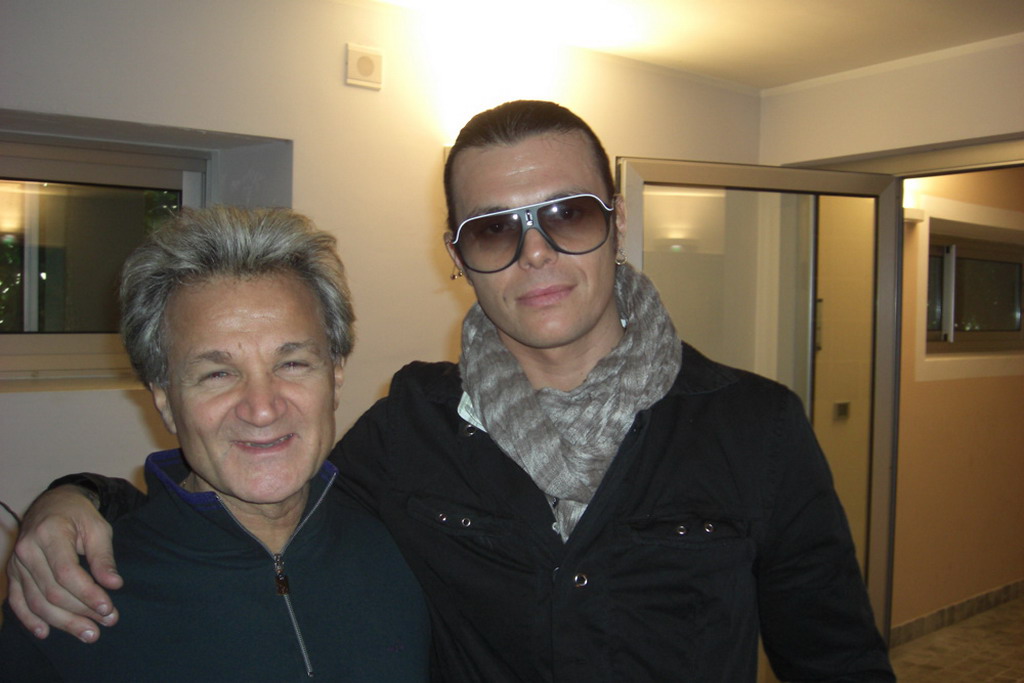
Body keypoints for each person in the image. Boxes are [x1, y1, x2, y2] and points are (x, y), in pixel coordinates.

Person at [5, 102, 894, 681]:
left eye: (569, 214)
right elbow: (257, 491)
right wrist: (79, 498)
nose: (536, 253)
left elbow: (838, 661)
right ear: (457, 254)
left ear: (617, 221)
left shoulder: (755, 426)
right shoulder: (411, 430)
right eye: (494, 230)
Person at [0, 207, 430, 681]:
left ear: (336, 377)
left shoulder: (411, 545)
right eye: (217, 374)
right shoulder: (67, 598)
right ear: (165, 400)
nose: (262, 409)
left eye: (292, 364)